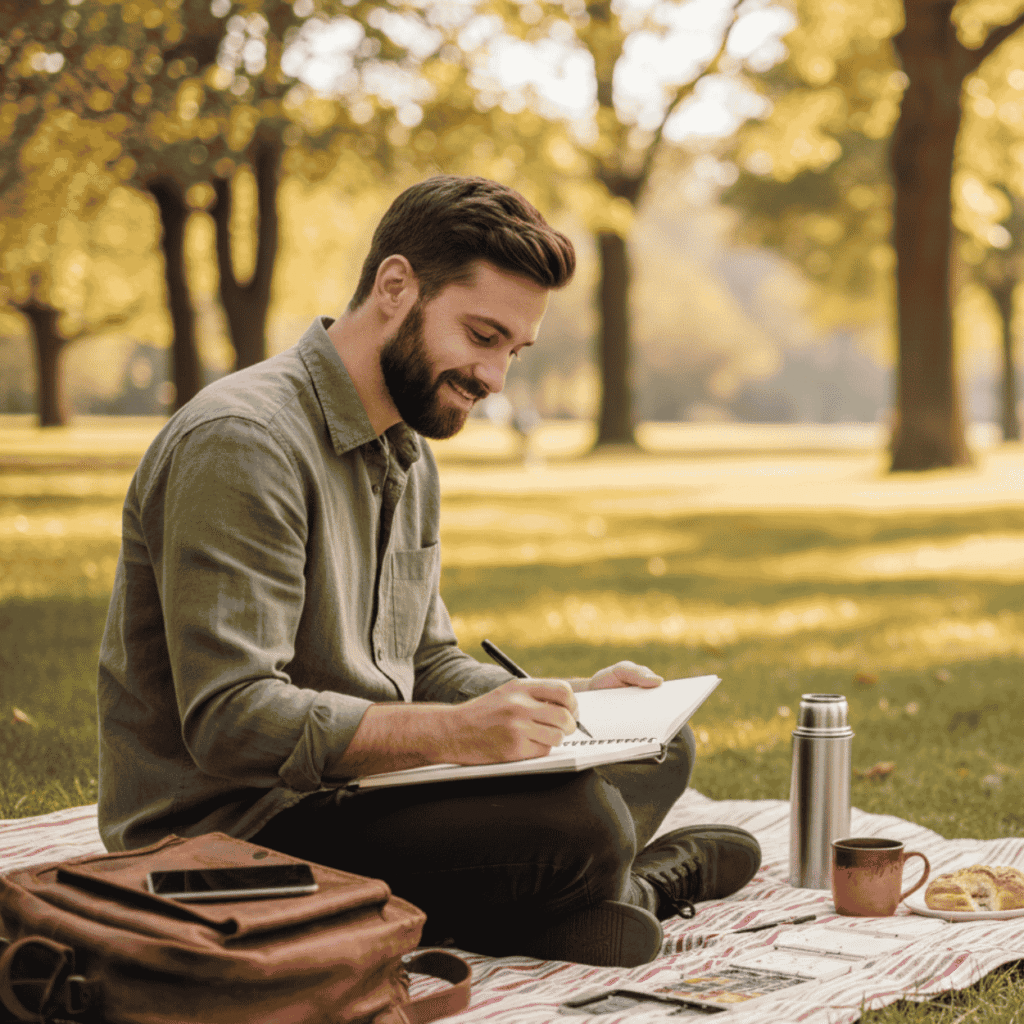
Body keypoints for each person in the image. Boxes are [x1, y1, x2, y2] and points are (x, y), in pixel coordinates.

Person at [97, 175, 760, 967]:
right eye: (482, 337)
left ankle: (563, 897)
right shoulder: (244, 441)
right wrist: (455, 736)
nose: (495, 380)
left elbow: (426, 660)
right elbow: (231, 717)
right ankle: (630, 888)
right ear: (395, 286)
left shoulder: (406, 445)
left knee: (656, 745)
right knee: (578, 825)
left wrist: (569, 702)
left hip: (365, 793)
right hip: (232, 835)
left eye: (513, 351)